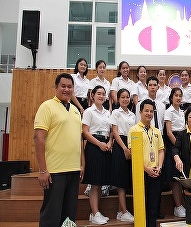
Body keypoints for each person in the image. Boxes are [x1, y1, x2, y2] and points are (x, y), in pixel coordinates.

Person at [34, 73, 85, 227]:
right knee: (52, 215)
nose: (66, 89)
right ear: (56, 87)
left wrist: (82, 164)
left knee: (69, 218)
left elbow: (79, 139)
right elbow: (38, 138)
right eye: (63, 86)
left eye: (69, 87)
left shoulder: (76, 111)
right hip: (55, 171)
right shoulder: (47, 106)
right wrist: (43, 170)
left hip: (74, 170)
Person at [128, 99, 165, 227]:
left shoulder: (157, 131)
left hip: (155, 172)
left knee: (153, 207)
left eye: (151, 111)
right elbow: (133, 153)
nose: (149, 113)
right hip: (141, 173)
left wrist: (159, 167)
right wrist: (146, 169)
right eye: (146, 111)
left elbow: (161, 150)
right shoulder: (134, 130)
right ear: (140, 112)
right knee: (141, 207)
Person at [82, 85, 112, 225]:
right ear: (92, 95)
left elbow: (111, 130)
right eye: (98, 93)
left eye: (103, 94)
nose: (101, 96)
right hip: (94, 146)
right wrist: (99, 144)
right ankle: (94, 213)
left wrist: (110, 142)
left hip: (106, 145)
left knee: (100, 182)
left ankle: (95, 213)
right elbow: (85, 132)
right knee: (94, 182)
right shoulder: (89, 111)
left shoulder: (107, 112)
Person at [110, 88, 135, 222]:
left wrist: (130, 148)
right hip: (121, 146)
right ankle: (124, 211)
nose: (125, 99)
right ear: (118, 99)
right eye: (123, 97)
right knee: (120, 180)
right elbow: (114, 132)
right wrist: (125, 148)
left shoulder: (132, 114)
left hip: (131, 145)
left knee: (126, 179)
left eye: (127, 97)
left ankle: (120, 211)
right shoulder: (115, 112)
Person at [164, 88, 186, 218]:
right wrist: (178, 146)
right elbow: (168, 132)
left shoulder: (183, 112)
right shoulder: (169, 112)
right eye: (176, 95)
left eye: (180, 96)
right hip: (173, 144)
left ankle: (182, 204)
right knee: (175, 178)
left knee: (182, 177)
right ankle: (177, 206)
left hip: (182, 143)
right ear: (171, 97)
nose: (178, 98)